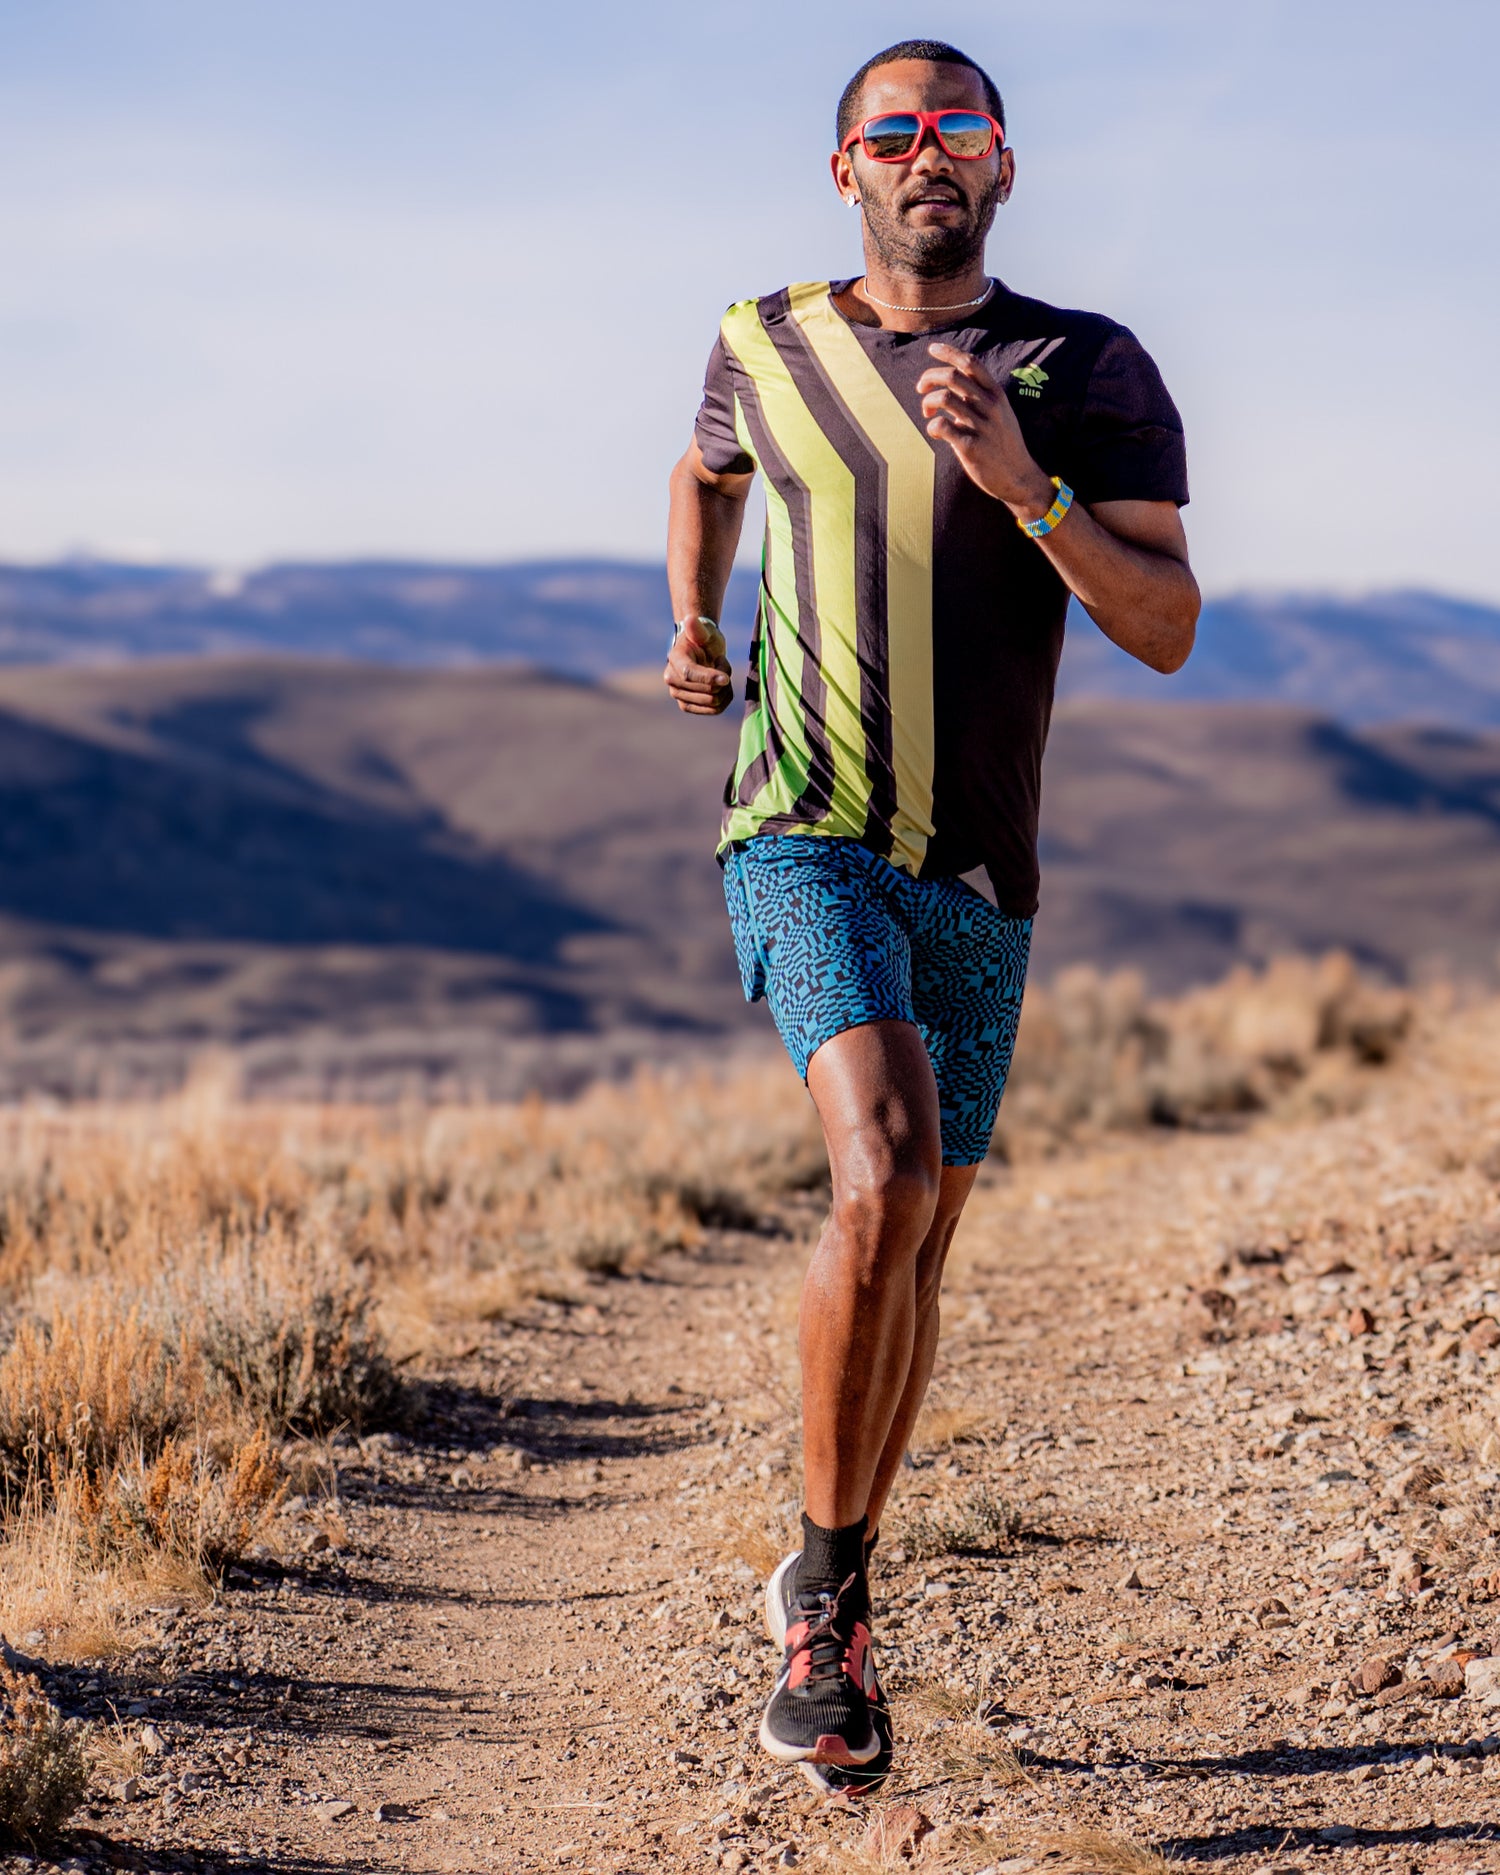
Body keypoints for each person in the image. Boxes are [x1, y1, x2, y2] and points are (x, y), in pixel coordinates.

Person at [664, 37, 1198, 1793]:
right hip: (802, 829)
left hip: (983, 872)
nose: (927, 156)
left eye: (957, 128)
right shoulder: (764, 342)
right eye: (892, 134)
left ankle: (830, 1575)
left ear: (1003, 164)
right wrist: (695, 620)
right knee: (880, 1177)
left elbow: (1165, 624)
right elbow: (708, 474)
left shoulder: (1090, 368)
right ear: (847, 171)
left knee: (921, 1250)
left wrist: (1029, 488)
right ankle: (824, 1625)